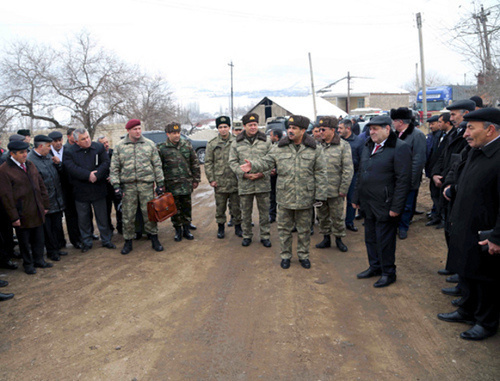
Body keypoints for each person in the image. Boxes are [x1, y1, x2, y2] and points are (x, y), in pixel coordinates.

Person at [437, 107, 500, 340]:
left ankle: (485, 322)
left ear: (490, 129)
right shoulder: (477, 150)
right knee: (468, 271)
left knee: (485, 279)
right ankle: (467, 310)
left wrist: (497, 237)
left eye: (471, 127)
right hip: (467, 225)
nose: (465, 133)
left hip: (486, 232)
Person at [239, 115, 327, 269]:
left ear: (303, 130)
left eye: (294, 128)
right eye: (289, 128)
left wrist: (320, 195)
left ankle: (303, 255)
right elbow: (267, 161)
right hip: (285, 196)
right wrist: (252, 165)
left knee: (304, 230)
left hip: (305, 197)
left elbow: (321, 173)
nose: (290, 131)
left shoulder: (315, 149)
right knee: (284, 230)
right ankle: (285, 255)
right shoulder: (280, 147)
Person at [353, 116, 411, 288]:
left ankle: (388, 272)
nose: (371, 132)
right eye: (370, 129)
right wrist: (356, 198)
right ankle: (375, 267)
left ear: (387, 129)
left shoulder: (400, 148)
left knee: (384, 241)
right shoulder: (368, 146)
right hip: (368, 203)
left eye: (375, 129)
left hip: (386, 204)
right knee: (370, 238)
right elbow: (361, 174)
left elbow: (403, 180)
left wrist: (396, 206)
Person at [431, 99, 475, 290]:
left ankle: (461, 275)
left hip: (458, 191)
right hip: (448, 186)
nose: (451, 117)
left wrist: (451, 183)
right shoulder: (454, 134)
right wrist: (435, 173)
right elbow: (445, 157)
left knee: (460, 235)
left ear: (465, 113)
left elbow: (460, 165)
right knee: (450, 230)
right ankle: (454, 267)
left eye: (454, 114)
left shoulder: (468, 136)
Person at [110, 119, 165, 254]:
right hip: (128, 187)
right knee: (128, 216)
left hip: (146, 185)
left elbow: (157, 165)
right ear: (128, 131)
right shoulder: (119, 146)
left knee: (149, 214)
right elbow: (114, 167)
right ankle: (128, 242)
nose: (138, 131)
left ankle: (154, 239)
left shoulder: (149, 144)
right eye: (135, 129)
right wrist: (116, 185)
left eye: (139, 128)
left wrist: (160, 184)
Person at [0, 140, 52, 274]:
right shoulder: (5, 170)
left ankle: (39, 260)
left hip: (36, 209)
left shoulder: (30, 164)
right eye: (21, 152)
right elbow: (6, 196)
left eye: (26, 152)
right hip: (22, 213)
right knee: (24, 241)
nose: (25, 155)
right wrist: (14, 216)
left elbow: (41, 185)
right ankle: (28, 264)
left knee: (39, 238)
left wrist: (45, 204)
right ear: (12, 154)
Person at [64, 128, 115, 252]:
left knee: (102, 217)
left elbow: (106, 162)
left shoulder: (98, 147)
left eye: (87, 137)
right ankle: (86, 242)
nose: (87, 140)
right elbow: (71, 168)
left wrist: (96, 175)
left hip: (98, 188)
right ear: (76, 141)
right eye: (83, 139)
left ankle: (106, 240)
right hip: (81, 190)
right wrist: (88, 175)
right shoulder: (69, 151)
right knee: (84, 218)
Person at [229, 113, 273, 247]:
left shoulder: (266, 140)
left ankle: (265, 236)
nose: (253, 127)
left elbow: (272, 159)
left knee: (264, 212)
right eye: (250, 125)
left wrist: (262, 174)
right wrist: (243, 174)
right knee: (245, 212)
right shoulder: (236, 142)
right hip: (245, 183)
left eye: (255, 124)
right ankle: (247, 235)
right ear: (244, 126)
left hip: (262, 183)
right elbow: (232, 162)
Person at [315, 116, 353, 252]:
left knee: (337, 216)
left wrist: (343, 188)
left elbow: (348, 169)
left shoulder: (343, 146)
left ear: (332, 130)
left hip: (335, 189)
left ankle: (339, 239)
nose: (320, 132)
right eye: (319, 130)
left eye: (323, 130)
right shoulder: (317, 145)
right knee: (322, 215)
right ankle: (326, 238)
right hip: (320, 190)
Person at [158, 122, 201, 242]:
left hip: (186, 183)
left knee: (186, 207)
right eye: (173, 133)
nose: (177, 135)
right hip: (171, 185)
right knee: (174, 209)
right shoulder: (161, 148)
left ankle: (186, 229)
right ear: (168, 134)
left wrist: (196, 179)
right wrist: (161, 184)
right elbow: (158, 168)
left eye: (178, 132)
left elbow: (194, 163)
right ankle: (178, 230)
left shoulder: (186, 145)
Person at [28, 135, 67, 262]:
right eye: (48, 146)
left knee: (56, 226)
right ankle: (51, 251)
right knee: (47, 229)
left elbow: (58, 175)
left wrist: (58, 164)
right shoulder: (30, 161)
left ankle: (57, 248)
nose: (50, 148)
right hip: (44, 202)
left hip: (56, 199)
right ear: (40, 146)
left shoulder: (49, 156)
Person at [390, 107, 426, 240]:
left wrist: (412, 180)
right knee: (396, 202)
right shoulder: (394, 134)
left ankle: (403, 227)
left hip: (409, 177)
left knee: (407, 204)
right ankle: (395, 225)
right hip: (396, 177)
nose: (392, 123)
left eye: (394, 121)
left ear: (400, 122)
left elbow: (418, 160)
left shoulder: (417, 135)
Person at [205, 116, 242, 239]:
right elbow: (208, 163)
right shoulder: (212, 144)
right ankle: (221, 228)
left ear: (229, 127)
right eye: (220, 127)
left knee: (236, 207)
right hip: (219, 181)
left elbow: (241, 160)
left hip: (235, 180)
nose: (223, 129)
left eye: (225, 126)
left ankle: (238, 227)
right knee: (220, 207)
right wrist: (211, 179)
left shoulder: (237, 141)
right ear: (217, 129)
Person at [338, 118, 364, 232]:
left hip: (354, 175)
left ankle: (349, 222)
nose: (338, 130)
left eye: (340, 128)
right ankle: (337, 223)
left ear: (348, 128)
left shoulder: (358, 142)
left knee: (351, 199)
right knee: (338, 200)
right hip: (339, 175)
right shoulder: (337, 141)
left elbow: (363, 159)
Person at [98, 135, 122, 235]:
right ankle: (109, 229)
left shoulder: (114, 153)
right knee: (106, 211)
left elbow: (121, 166)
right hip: (104, 187)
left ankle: (121, 227)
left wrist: (115, 177)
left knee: (119, 208)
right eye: (103, 143)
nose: (106, 145)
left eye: (107, 142)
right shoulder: (97, 156)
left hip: (116, 186)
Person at [424, 115, 443, 226]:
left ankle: (439, 216)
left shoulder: (441, 136)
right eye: (430, 124)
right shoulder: (432, 136)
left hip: (438, 172)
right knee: (434, 194)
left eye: (433, 124)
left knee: (438, 195)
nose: (431, 126)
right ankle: (435, 213)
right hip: (431, 170)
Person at [268, 128, 283, 224]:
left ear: (276, 137)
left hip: (281, 176)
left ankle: (283, 217)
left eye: (271, 135)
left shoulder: (283, 147)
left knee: (282, 197)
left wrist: (277, 170)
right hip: (272, 176)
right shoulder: (271, 146)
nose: (270, 137)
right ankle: (272, 215)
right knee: (272, 196)